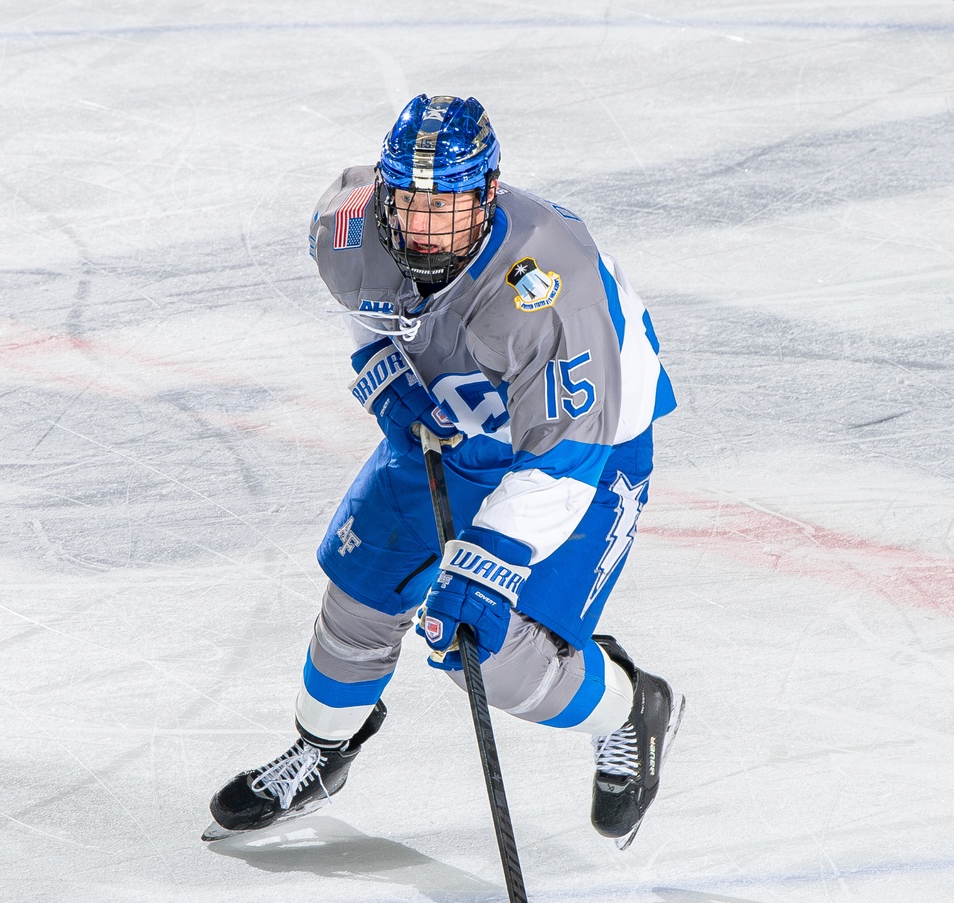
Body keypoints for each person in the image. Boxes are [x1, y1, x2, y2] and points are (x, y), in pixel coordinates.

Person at [204, 94, 685, 850]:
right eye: (411, 205)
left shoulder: (551, 291)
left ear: (488, 195)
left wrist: (486, 565)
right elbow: (364, 297)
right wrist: (381, 364)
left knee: (485, 654)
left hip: (583, 453)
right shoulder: (354, 224)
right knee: (360, 593)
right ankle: (324, 751)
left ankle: (631, 709)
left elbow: (563, 459)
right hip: (454, 419)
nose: (424, 228)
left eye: (449, 208)